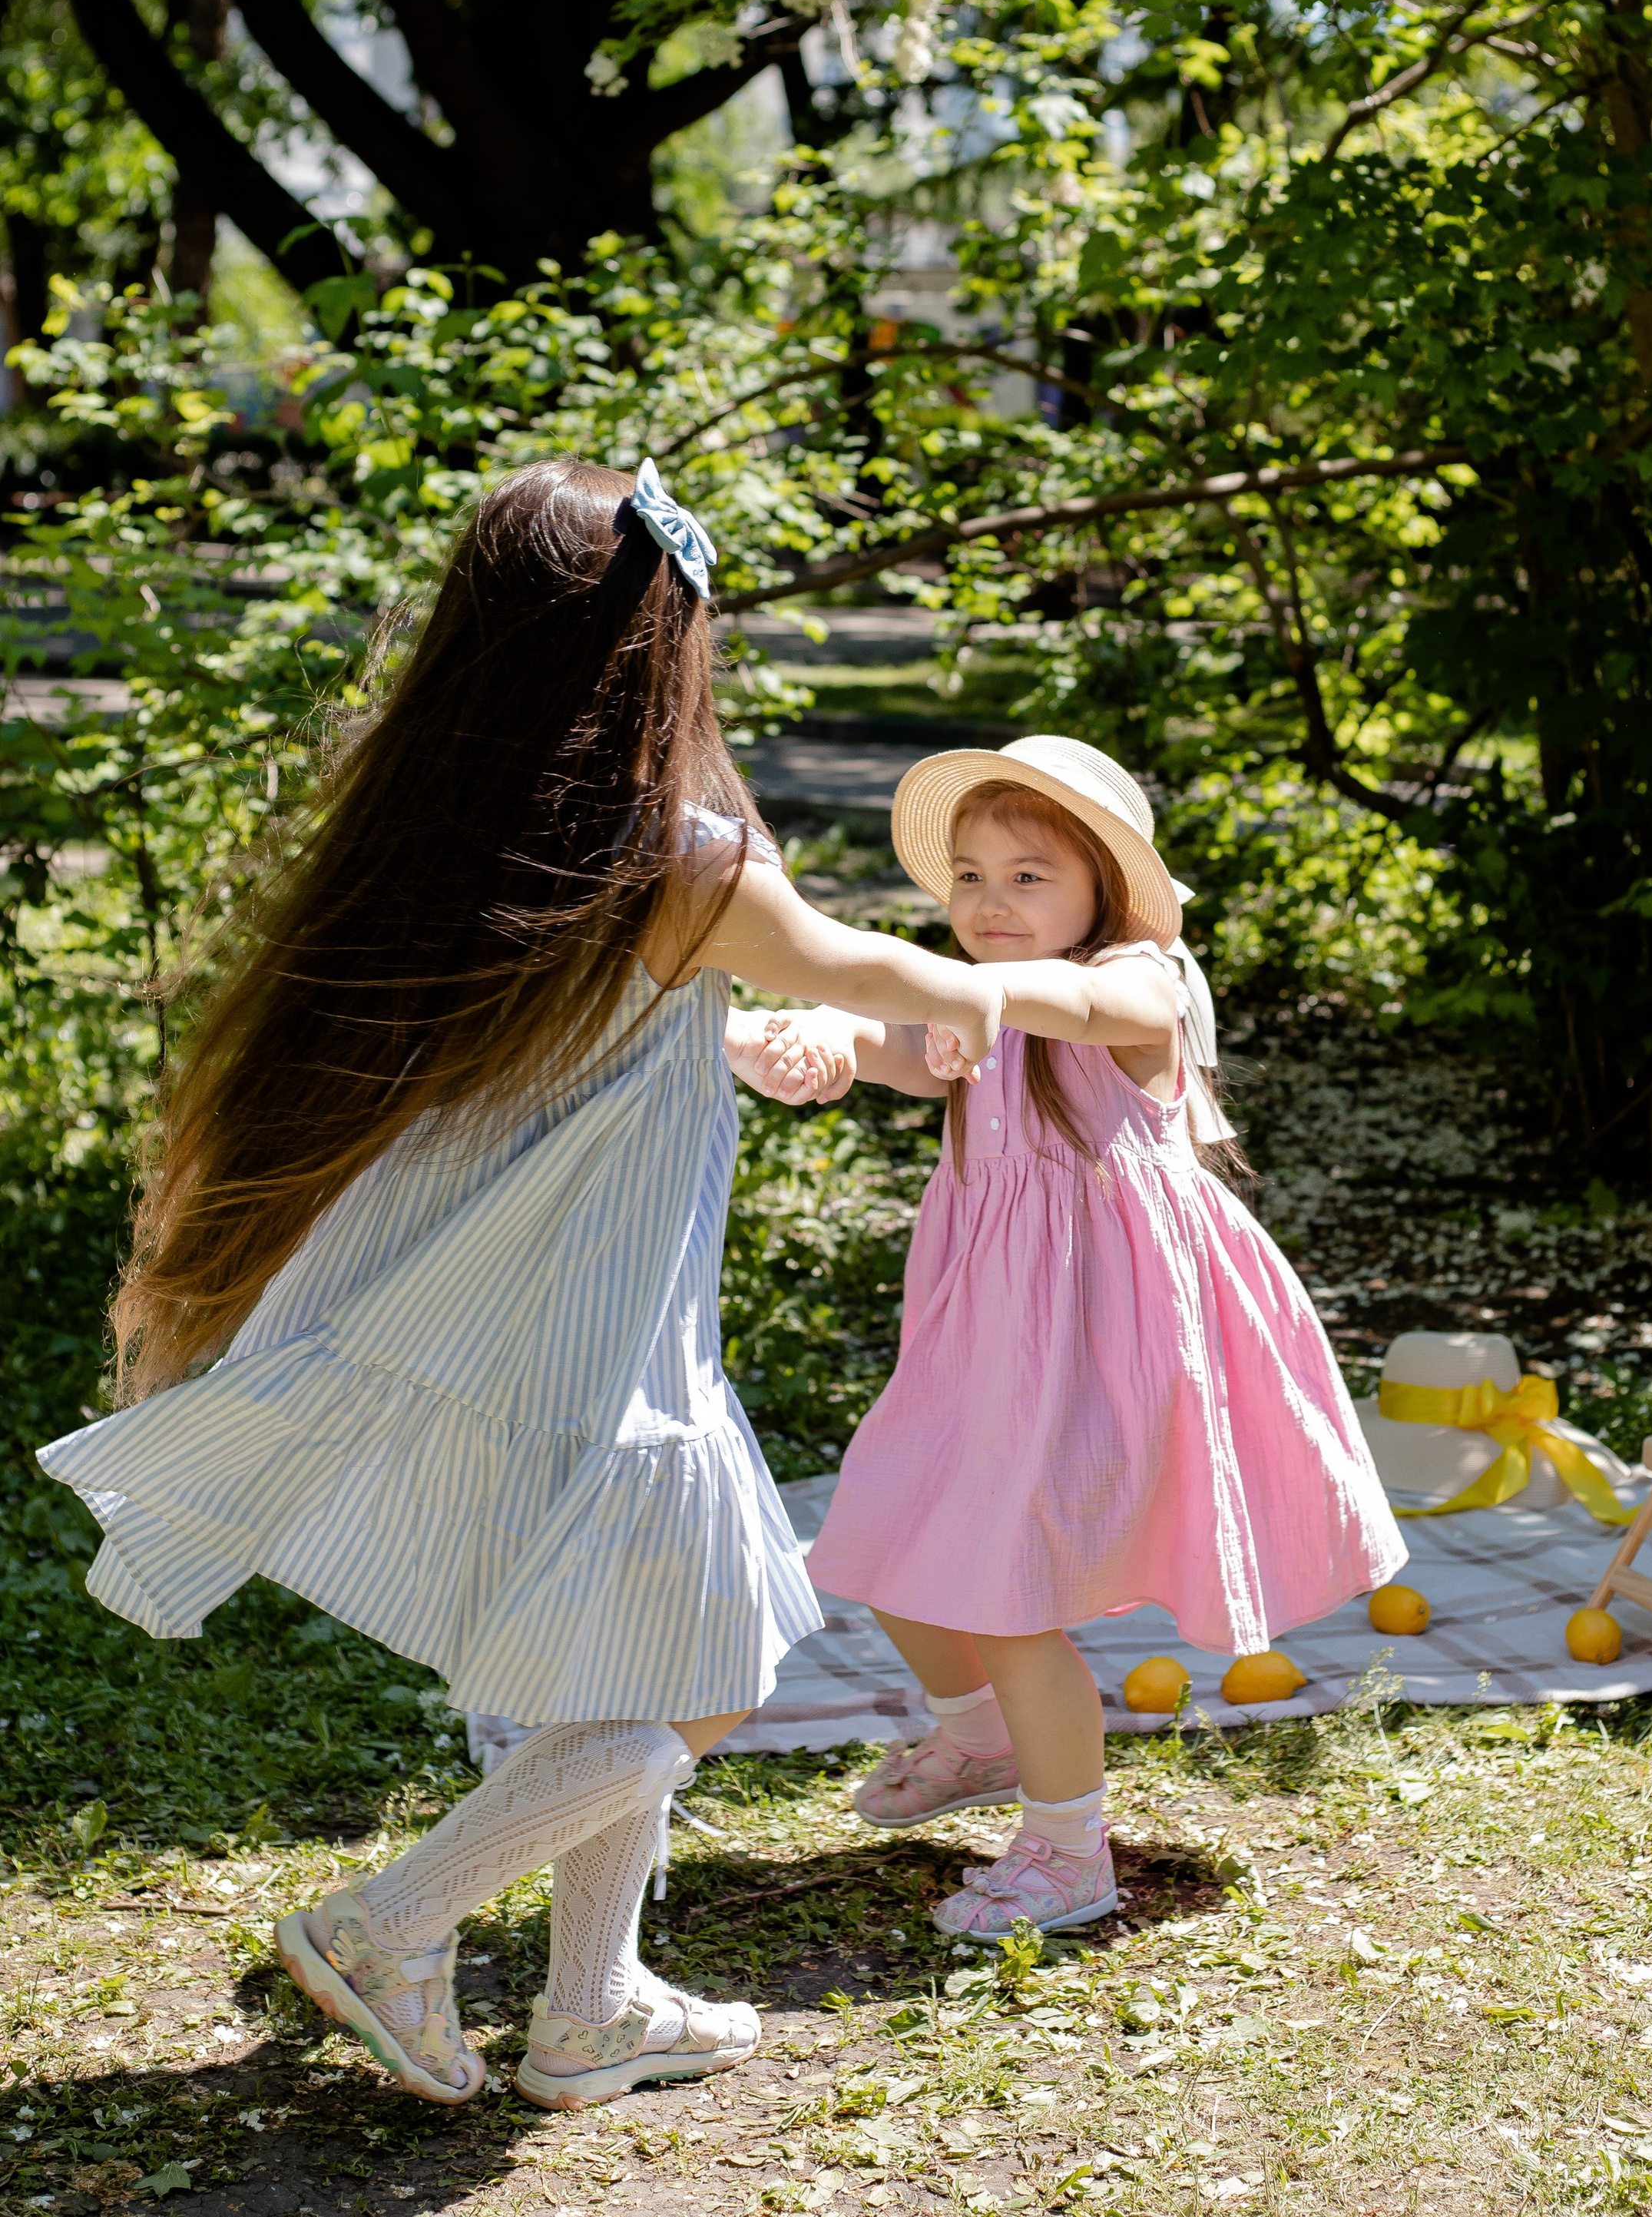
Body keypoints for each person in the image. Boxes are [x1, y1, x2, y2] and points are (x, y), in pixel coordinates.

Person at [37, 460, 1005, 2108]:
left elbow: (681, 1017)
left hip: (512, 1334)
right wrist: (1060, 988)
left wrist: (760, 1033)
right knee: (703, 1682)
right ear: (657, 643)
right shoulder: (681, 859)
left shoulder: (459, 818)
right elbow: (864, 967)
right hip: (607, 1348)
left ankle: (592, 2007)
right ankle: (386, 1921)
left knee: (622, 1662)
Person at [789, 737, 1406, 1940]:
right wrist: (824, 1040)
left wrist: (972, 990)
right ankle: (978, 1739)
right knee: (877, 1529)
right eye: (968, 876)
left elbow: (1082, 1004)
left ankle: (1070, 1851)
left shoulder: (1134, 985)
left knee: (1014, 1591)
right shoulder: (982, 1001)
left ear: (1105, 890)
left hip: (1103, 1340)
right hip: (988, 1338)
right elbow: (904, 1050)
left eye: (1028, 876)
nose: (988, 902)